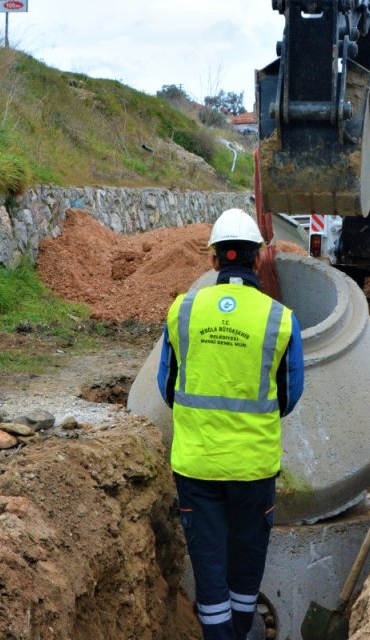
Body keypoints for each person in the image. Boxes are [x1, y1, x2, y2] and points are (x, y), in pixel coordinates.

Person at [156, 209, 305, 640]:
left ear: (214, 261)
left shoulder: (183, 310)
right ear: (258, 260)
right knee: (245, 568)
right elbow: (289, 395)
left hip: (197, 466)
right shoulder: (280, 318)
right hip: (254, 468)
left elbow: (168, 386)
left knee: (210, 572)